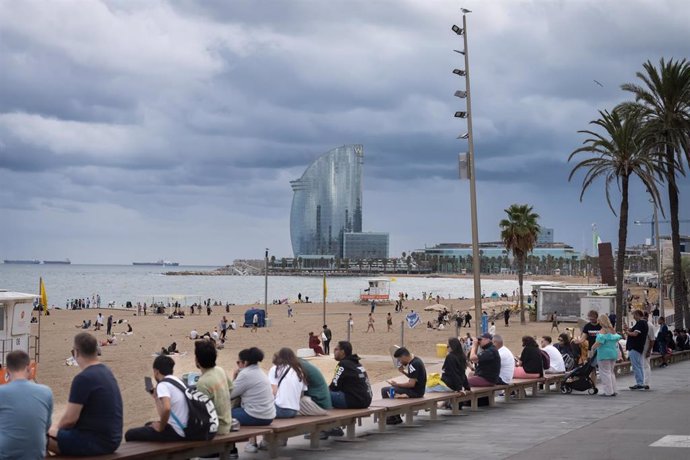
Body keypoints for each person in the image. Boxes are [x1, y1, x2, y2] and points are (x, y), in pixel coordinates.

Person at [48, 333, 123, 456]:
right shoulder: (107, 371)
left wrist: (55, 431)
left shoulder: (83, 378)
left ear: (76, 352)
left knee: (40, 435)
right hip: (113, 440)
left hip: (94, 442)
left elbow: (70, 419)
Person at [0, 350, 53, 459]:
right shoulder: (46, 392)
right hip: (35, 454)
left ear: (7, 371)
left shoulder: (2, 393)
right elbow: (46, 427)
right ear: (28, 368)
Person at [125, 355, 188, 442]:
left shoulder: (162, 384)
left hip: (177, 432)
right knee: (148, 425)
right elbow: (164, 414)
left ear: (156, 371)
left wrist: (160, 428)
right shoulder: (178, 381)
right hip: (187, 428)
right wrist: (156, 398)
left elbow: (166, 409)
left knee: (129, 434)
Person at [231, 348, 276, 453]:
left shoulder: (245, 374)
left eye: (238, 362)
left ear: (245, 362)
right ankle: (251, 443)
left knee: (223, 415)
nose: (238, 365)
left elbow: (230, 394)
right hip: (269, 416)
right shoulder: (260, 372)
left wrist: (234, 376)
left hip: (256, 416)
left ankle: (230, 450)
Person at [194, 340, 233, 437]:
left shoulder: (202, 383)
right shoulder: (220, 370)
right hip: (227, 421)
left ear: (197, 360)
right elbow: (231, 388)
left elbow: (201, 413)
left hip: (217, 429)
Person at [381, 347, 426, 425]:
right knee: (393, 390)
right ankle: (395, 416)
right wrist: (403, 372)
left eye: (399, 359)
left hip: (415, 392)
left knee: (385, 390)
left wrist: (397, 384)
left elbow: (411, 384)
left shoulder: (413, 364)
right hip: (418, 390)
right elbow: (414, 378)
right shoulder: (416, 360)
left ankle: (393, 417)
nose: (400, 362)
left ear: (404, 357)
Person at [329, 341, 373, 409]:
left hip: (355, 401)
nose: (334, 351)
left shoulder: (343, 364)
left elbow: (334, 386)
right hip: (366, 400)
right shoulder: (357, 364)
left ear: (342, 351)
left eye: (336, 349)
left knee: (320, 395)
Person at [268, 348, 306, 419]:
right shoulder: (299, 370)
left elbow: (273, 391)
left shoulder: (276, 369)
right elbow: (301, 393)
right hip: (294, 410)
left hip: (280, 408)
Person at [591, 314, 621, 397]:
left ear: (601, 321)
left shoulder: (603, 330)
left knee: (604, 373)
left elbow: (599, 342)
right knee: (611, 372)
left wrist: (592, 348)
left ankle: (608, 391)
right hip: (613, 353)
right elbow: (617, 338)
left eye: (599, 321)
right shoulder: (612, 329)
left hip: (604, 354)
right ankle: (613, 390)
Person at [574, 310, 602, 391]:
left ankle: (606, 385)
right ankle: (593, 385)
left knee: (601, 367)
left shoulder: (601, 325)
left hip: (600, 349)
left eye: (593, 318)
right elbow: (584, 337)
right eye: (590, 319)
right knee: (592, 367)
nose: (591, 320)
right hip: (591, 349)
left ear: (596, 318)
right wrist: (579, 341)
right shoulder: (587, 326)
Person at [625, 309, 649, 390]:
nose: (633, 317)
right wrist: (628, 329)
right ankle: (641, 382)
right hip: (638, 347)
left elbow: (635, 334)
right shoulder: (644, 323)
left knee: (636, 366)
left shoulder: (640, 323)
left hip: (635, 347)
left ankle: (639, 383)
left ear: (638, 315)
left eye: (634, 315)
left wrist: (627, 333)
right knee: (639, 365)